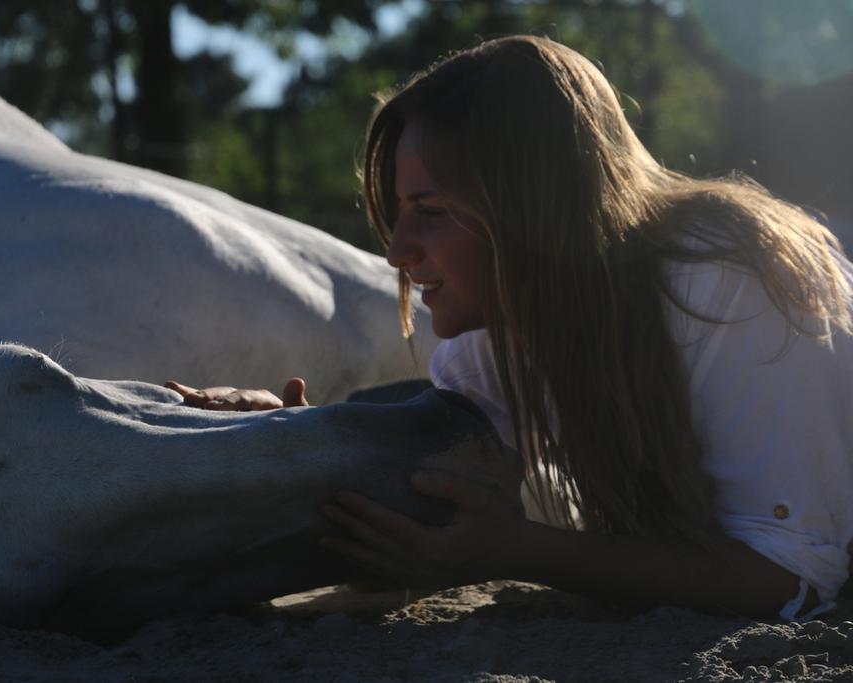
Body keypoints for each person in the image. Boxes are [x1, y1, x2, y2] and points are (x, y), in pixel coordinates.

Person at [167, 35, 853, 620]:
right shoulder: (501, 317)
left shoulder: (724, 280)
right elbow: (436, 504)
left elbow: (788, 577)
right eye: (399, 212)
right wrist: (292, 445)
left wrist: (520, 551)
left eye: (430, 211)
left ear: (533, 212)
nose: (396, 251)